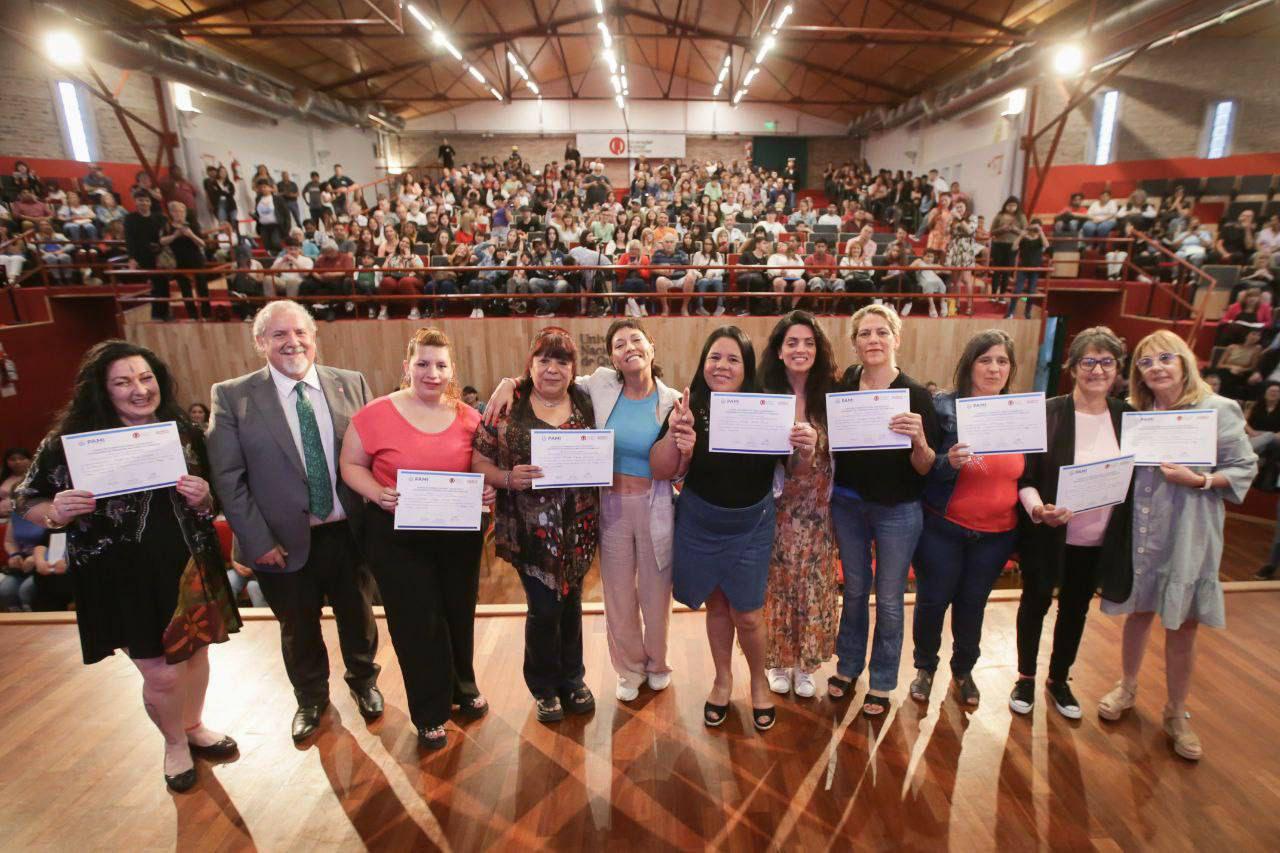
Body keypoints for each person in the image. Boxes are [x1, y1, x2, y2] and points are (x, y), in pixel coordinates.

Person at [13, 340, 241, 791]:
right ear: (103, 389)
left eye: (145, 378)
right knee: (159, 671)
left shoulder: (183, 431)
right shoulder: (70, 443)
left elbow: (209, 497)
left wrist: (204, 498)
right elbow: (27, 499)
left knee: (196, 653)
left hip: (187, 565)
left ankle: (193, 726)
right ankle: (174, 742)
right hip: (120, 577)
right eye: (123, 382)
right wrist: (56, 511)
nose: (139, 390)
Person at [206, 300, 383, 744]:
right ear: (260, 342)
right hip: (279, 542)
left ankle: (364, 683)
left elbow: (373, 456)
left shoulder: (350, 383)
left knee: (358, 617)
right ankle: (311, 700)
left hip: (348, 534)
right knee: (297, 628)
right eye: (279, 335)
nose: (292, 342)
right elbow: (229, 479)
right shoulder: (232, 396)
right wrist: (256, 539)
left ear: (314, 336)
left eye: (300, 332)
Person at [485, 319, 682, 703]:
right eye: (619, 343)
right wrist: (510, 382)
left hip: (655, 504)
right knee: (619, 595)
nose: (629, 348)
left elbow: (678, 462)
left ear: (651, 347)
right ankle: (629, 668)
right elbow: (548, 375)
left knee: (657, 594)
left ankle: (658, 664)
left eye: (636, 340)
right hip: (610, 505)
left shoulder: (672, 399)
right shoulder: (601, 387)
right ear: (610, 356)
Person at [1095, 331, 1256, 760]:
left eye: (1165, 358)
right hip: (1143, 526)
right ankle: (1126, 686)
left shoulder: (1219, 409)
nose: (1157, 368)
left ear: (1185, 360)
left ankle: (1177, 711)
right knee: (1139, 610)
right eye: (1146, 363)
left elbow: (1244, 467)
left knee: (1183, 623)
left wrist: (1200, 479)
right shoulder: (1136, 412)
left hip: (1189, 527)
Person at [341, 328, 494, 749]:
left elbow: (481, 466)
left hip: (457, 533)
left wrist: (486, 487)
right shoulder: (374, 414)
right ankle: (429, 710)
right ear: (406, 366)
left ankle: (462, 687)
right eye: (423, 364)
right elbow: (350, 465)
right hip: (396, 533)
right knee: (416, 621)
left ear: (451, 370)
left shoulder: (469, 417)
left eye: (440, 365)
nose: (432, 373)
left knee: (458, 612)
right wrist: (377, 493)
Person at [650, 326, 800, 732]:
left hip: (751, 523)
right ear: (703, 362)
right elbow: (661, 470)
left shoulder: (767, 406)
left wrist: (796, 442)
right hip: (700, 520)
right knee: (716, 606)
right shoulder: (688, 406)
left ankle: (757, 681)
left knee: (749, 613)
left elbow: (791, 469)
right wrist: (682, 442)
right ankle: (722, 679)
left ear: (746, 368)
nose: (722, 365)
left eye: (733, 359)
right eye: (715, 357)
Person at [470, 327, 600, 723]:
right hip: (530, 530)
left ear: (573, 369)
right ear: (531, 364)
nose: (552, 368)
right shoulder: (507, 407)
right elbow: (479, 462)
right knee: (544, 607)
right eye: (544, 359)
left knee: (572, 602)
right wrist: (509, 478)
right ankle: (544, 686)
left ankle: (573, 678)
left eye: (562, 361)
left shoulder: (585, 400)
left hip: (579, 525)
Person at [1010, 326, 1134, 719]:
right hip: (1048, 533)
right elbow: (1024, 477)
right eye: (1088, 361)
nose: (1097, 370)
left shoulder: (1128, 417)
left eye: (1106, 362)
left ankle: (1059, 679)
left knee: (1076, 609)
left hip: (1099, 539)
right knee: (1035, 603)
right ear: (1073, 366)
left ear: (1117, 369)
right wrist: (1038, 509)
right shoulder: (1047, 413)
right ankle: (1025, 677)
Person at [827, 305, 939, 716]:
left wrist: (920, 440)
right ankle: (848, 666)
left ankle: (883, 681)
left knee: (889, 599)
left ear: (896, 338)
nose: (873, 340)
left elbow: (926, 466)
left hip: (898, 511)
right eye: (864, 334)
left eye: (881, 332)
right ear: (855, 343)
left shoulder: (916, 395)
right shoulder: (841, 390)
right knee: (854, 592)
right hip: (849, 505)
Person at [910, 330, 1022, 706]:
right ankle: (925, 667)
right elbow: (922, 469)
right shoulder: (942, 406)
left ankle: (963, 669)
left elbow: (1030, 474)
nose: (993, 368)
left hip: (997, 533)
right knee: (933, 600)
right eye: (985, 359)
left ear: (1011, 368)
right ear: (969, 364)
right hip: (944, 526)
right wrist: (947, 462)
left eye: (1002, 361)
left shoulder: (1020, 413)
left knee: (973, 603)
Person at [758, 312, 837, 699]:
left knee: (813, 586)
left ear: (818, 349)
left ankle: (805, 665)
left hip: (819, 510)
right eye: (792, 342)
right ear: (778, 350)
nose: (800, 349)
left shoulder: (832, 397)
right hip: (777, 508)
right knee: (777, 587)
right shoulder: (762, 394)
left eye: (808, 342)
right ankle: (777, 661)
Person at [158, 201, 208, 321]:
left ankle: (206, 314)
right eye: (175, 211)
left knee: (202, 287)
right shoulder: (168, 226)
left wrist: (190, 235)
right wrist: (175, 235)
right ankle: (192, 315)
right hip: (178, 261)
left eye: (181, 211)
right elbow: (161, 241)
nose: (179, 214)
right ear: (171, 213)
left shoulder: (192, 225)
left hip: (195, 260)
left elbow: (202, 243)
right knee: (185, 290)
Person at [1006, 220, 1049, 319]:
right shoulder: (1024, 238)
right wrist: (1021, 235)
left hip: (1035, 269)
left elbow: (1046, 246)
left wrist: (1041, 232)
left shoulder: (1040, 239)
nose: (1034, 230)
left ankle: (1027, 313)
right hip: (1023, 267)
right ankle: (1010, 312)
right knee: (1017, 290)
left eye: (1036, 228)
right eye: (1033, 228)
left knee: (1031, 292)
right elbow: (1013, 247)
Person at [0, 448, 33, 520]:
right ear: (7, 462)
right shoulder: (3, 477)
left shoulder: (36, 478)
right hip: (2, 518)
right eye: (12, 459)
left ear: (30, 460)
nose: (17, 462)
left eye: (22, 458)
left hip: (25, 519)